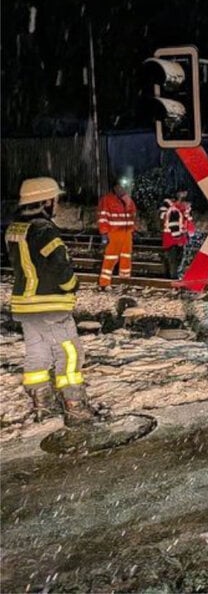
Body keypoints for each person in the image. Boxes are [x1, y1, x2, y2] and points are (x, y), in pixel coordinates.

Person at [5, 177, 95, 427]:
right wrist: (72, 285)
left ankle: (43, 404)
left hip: (24, 305)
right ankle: (75, 406)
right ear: (45, 201)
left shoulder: (14, 228)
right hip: (49, 304)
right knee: (70, 353)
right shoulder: (44, 230)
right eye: (55, 200)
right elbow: (59, 266)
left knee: (37, 353)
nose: (57, 204)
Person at [97, 178, 137, 288]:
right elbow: (103, 217)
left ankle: (124, 279)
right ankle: (104, 283)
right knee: (110, 257)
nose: (122, 189)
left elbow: (133, 214)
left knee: (126, 256)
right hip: (114, 232)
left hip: (127, 232)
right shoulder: (107, 200)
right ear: (115, 187)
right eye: (120, 186)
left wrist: (133, 229)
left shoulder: (127, 199)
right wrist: (104, 234)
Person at [158, 189, 196, 279]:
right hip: (173, 240)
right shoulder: (173, 208)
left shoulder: (181, 209)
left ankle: (171, 278)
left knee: (175, 261)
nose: (189, 206)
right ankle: (173, 279)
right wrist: (179, 238)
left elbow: (188, 222)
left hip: (175, 240)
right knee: (174, 262)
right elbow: (173, 223)